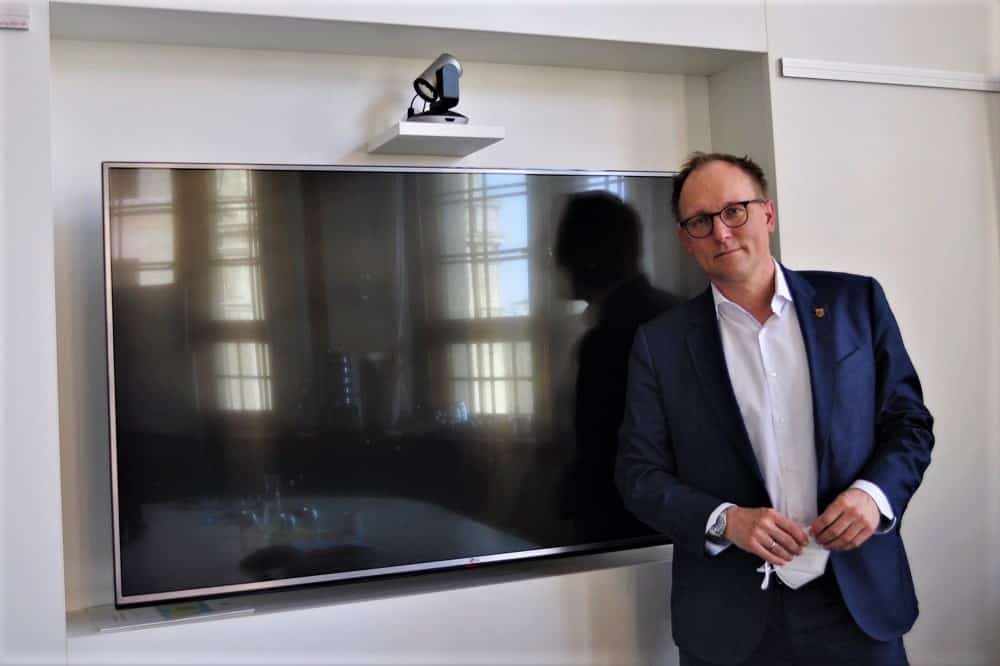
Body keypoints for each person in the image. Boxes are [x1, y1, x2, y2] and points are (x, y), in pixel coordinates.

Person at [615, 153, 934, 665]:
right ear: (685, 238)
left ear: (767, 214)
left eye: (734, 211)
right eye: (701, 221)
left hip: (855, 604)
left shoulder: (857, 302)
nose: (721, 232)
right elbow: (639, 475)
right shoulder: (661, 343)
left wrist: (873, 497)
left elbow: (910, 424)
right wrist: (727, 521)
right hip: (728, 618)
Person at [553, 190, 677, 542]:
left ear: (589, 254)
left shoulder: (610, 340)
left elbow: (602, 455)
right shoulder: (674, 313)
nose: (559, 262)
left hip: (624, 531)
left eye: (565, 247)